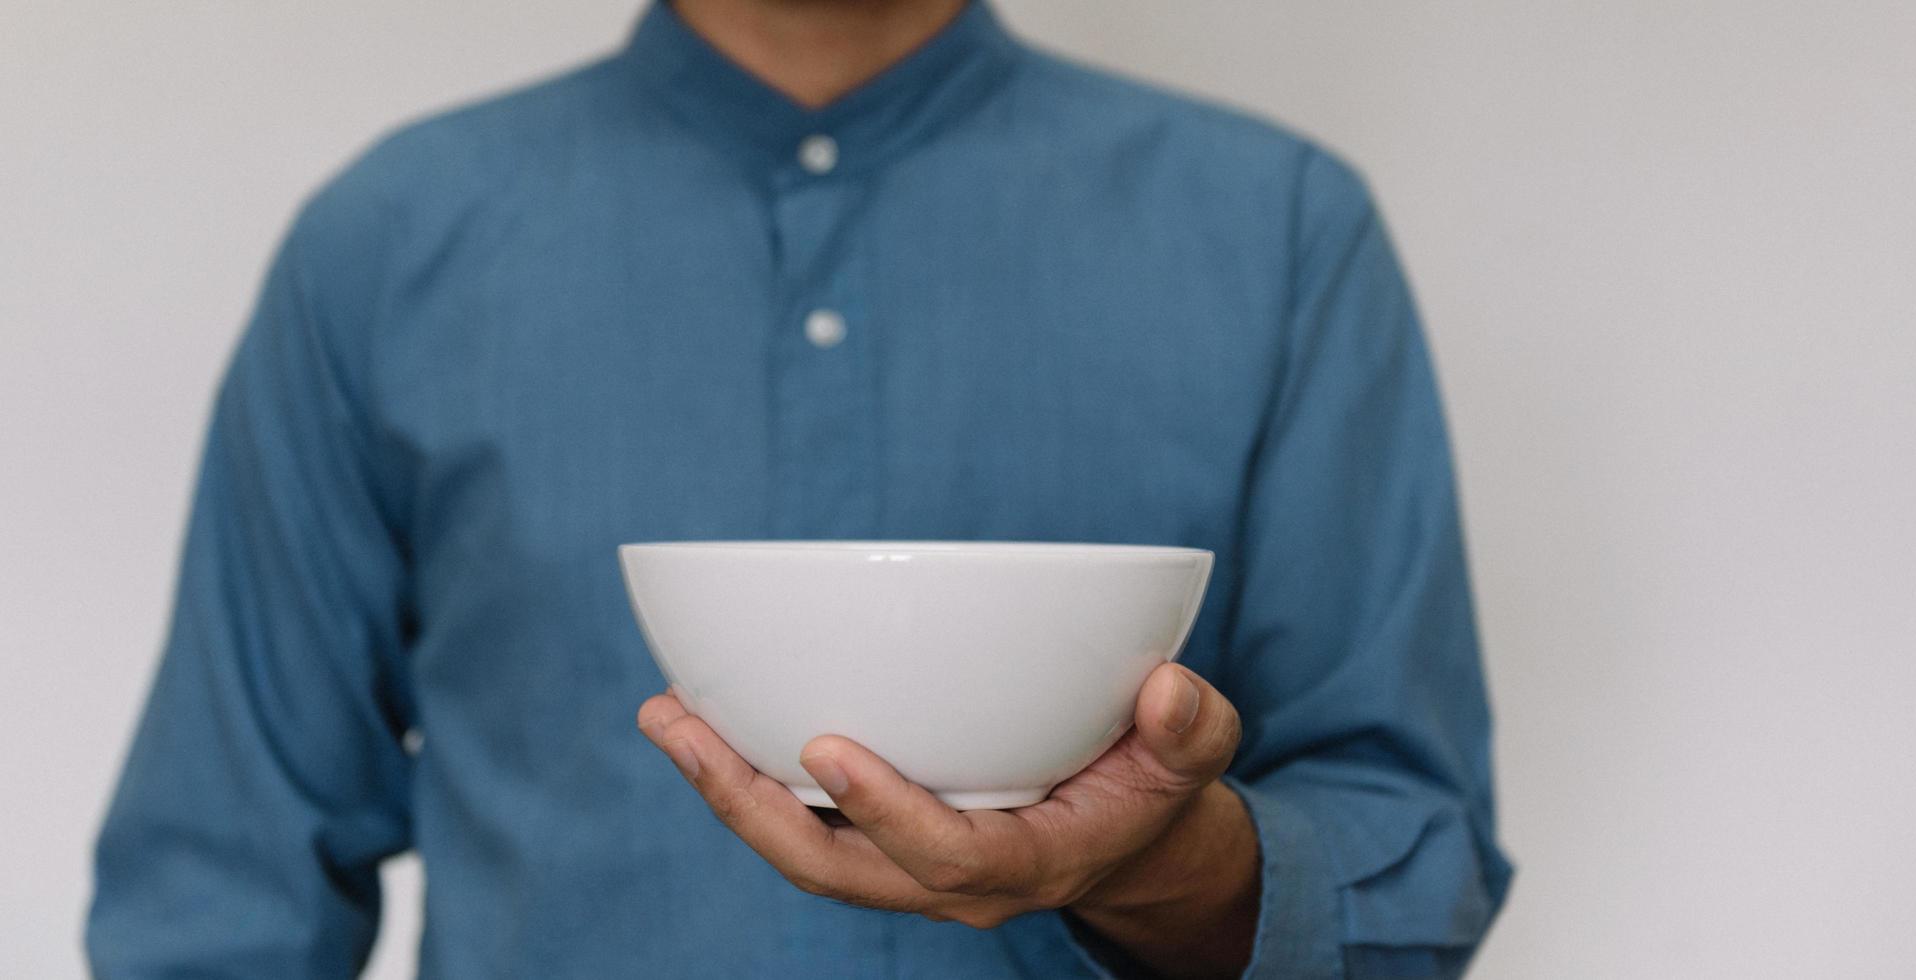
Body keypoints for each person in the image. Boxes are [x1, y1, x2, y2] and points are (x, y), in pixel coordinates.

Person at [87, 1, 1511, 976]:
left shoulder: (1279, 231)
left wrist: (1158, 864)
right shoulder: (386, 247)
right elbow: (223, 888)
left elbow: (1410, 858)